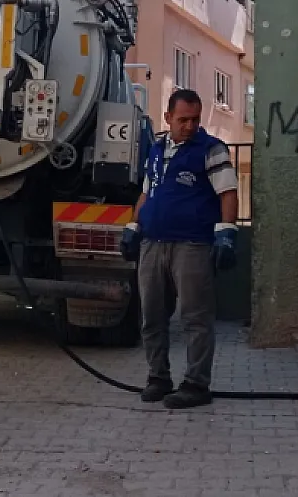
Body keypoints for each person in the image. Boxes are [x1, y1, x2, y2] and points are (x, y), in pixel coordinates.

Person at [119, 89, 240, 409]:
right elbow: (147, 193)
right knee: (152, 316)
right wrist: (134, 225)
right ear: (168, 118)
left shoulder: (210, 150)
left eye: (195, 119)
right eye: (183, 119)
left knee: (195, 317)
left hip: (192, 245)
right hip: (153, 243)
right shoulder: (156, 151)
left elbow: (228, 192)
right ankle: (158, 377)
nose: (190, 126)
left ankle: (196, 384)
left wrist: (226, 233)